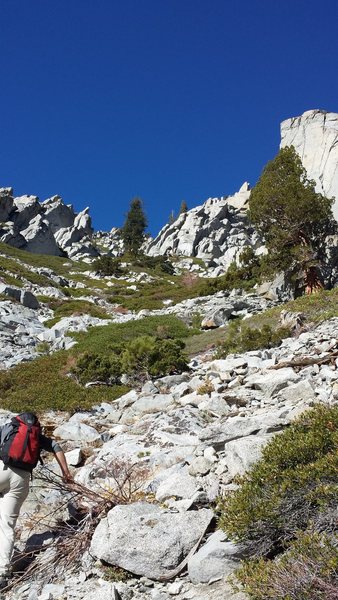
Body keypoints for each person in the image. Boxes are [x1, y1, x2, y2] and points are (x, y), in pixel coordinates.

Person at [0, 412, 72, 588]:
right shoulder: (37, 436)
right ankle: (2, 572)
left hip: (2, 469)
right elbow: (56, 446)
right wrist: (66, 473)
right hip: (21, 479)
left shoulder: (7, 428)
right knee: (7, 525)